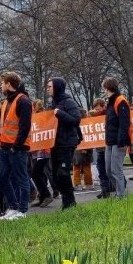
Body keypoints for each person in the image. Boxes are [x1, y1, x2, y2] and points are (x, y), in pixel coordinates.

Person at [0, 71, 32, 220]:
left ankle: (22, 210)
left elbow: (25, 127)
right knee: (2, 178)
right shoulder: (6, 102)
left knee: (21, 178)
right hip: (4, 147)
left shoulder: (23, 101)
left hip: (16, 148)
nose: (1, 86)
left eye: (2, 83)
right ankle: (13, 206)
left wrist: (15, 146)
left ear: (9, 84)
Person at [48, 77, 82, 209]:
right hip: (55, 143)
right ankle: (66, 200)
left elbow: (76, 120)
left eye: (50, 86)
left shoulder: (68, 102)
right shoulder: (53, 103)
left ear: (57, 87)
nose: (48, 89)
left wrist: (60, 114)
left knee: (63, 173)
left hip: (67, 142)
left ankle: (70, 202)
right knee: (56, 175)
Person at [102, 77, 130, 199]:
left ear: (107, 88)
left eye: (104, 88)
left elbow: (124, 123)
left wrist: (121, 141)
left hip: (119, 142)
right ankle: (120, 189)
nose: (104, 91)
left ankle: (121, 196)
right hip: (110, 141)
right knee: (108, 170)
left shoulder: (120, 101)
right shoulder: (110, 102)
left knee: (116, 170)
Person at [30, 100, 53, 208]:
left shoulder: (41, 117)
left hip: (42, 151)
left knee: (36, 173)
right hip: (35, 151)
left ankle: (47, 195)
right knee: (39, 174)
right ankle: (42, 197)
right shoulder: (34, 117)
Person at [89, 98, 111, 198]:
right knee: (101, 169)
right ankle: (104, 190)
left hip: (108, 146)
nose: (98, 111)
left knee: (110, 169)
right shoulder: (93, 118)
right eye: (96, 109)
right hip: (99, 147)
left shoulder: (107, 114)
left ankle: (117, 186)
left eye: (99, 109)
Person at [73, 109, 93, 191]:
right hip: (86, 148)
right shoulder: (89, 123)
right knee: (86, 166)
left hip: (78, 147)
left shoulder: (76, 123)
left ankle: (77, 184)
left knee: (77, 167)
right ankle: (89, 184)